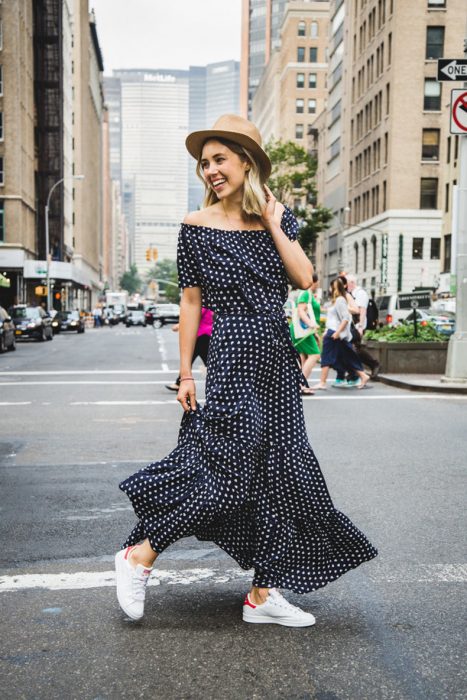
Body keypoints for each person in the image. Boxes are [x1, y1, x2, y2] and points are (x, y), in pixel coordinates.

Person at [115, 114, 377, 627]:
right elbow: (190, 302)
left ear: (246, 162)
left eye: (220, 159)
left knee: (284, 469)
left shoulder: (276, 218)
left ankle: (262, 594)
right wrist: (188, 374)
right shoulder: (194, 227)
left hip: (276, 354)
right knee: (231, 470)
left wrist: (277, 223)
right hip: (233, 350)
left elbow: (303, 278)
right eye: (205, 162)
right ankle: (140, 553)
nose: (211, 170)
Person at [314, 278, 369, 391]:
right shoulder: (337, 301)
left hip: (335, 333)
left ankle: (322, 382)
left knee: (326, 356)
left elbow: (345, 318)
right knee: (348, 356)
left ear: (335, 288)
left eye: (331, 287)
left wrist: (337, 332)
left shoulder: (340, 300)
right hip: (334, 332)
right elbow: (334, 318)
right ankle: (363, 376)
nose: (329, 289)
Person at [165, 306, 214, 391]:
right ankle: (178, 383)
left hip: (201, 335)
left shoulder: (203, 304)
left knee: (189, 360)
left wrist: (180, 325)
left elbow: (194, 316)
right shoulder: (206, 303)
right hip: (202, 335)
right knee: (194, 360)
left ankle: (178, 383)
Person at [290, 274, 321, 396]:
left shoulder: (306, 293)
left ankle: (301, 383)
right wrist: (311, 324)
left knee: (303, 357)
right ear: (314, 281)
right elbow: (301, 310)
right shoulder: (306, 293)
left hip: (304, 331)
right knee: (315, 355)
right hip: (302, 330)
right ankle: (301, 384)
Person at [346, 274, 380, 382]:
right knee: (352, 349)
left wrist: (360, 327)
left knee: (355, 349)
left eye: (346, 283)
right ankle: (354, 372)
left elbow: (362, 311)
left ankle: (373, 364)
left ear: (351, 283)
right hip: (352, 325)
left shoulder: (360, 294)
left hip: (358, 325)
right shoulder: (351, 294)